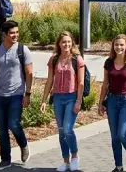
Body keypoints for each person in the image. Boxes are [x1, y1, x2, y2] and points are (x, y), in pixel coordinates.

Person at [0, 20, 32, 170]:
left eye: (17, 32)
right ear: (4, 34)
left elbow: (29, 73)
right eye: (12, 33)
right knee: (2, 129)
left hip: (17, 94)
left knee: (13, 124)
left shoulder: (23, 50)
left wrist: (27, 94)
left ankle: (23, 144)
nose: (15, 35)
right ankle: (5, 159)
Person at [40, 31, 85, 172]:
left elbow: (81, 82)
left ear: (72, 43)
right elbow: (49, 81)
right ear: (59, 44)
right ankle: (65, 161)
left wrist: (78, 101)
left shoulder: (77, 59)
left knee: (67, 128)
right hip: (58, 98)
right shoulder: (54, 59)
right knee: (61, 131)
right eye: (63, 42)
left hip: (72, 97)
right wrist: (44, 100)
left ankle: (75, 156)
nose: (66, 44)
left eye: (69, 41)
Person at [98, 34, 126, 172]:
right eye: (116, 45)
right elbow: (105, 84)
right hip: (112, 101)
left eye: (122, 45)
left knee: (122, 134)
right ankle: (119, 166)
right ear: (113, 46)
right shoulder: (109, 62)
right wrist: (100, 103)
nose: (119, 47)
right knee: (114, 136)